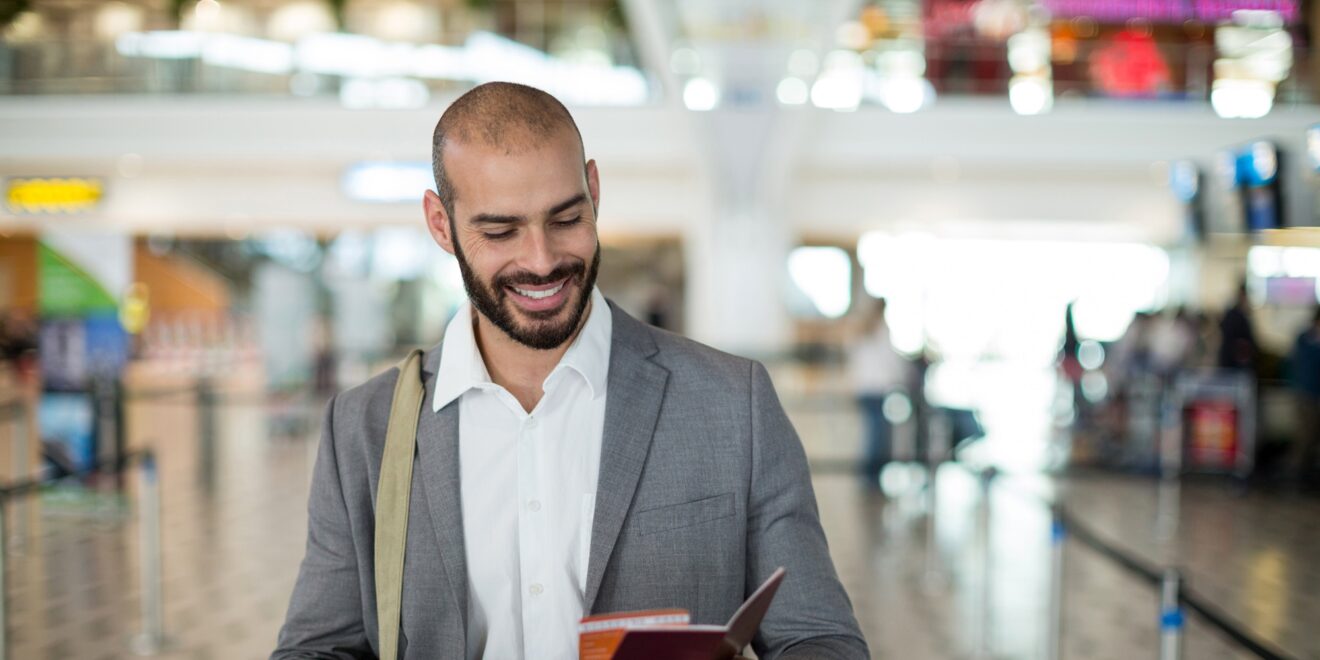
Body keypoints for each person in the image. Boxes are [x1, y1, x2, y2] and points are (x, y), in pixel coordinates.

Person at [273, 83, 867, 660]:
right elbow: (318, 648)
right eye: (500, 230)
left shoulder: (734, 403)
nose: (542, 260)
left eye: (565, 219)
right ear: (440, 224)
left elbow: (819, 638)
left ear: (594, 190)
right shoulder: (363, 429)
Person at [847, 298, 909, 489]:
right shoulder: (881, 330)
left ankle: (868, 475)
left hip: (864, 389)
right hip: (877, 390)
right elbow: (891, 361)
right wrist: (903, 378)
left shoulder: (861, 330)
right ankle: (871, 477)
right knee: (877, 434)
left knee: (872, 433)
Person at [1286, 307, 1320, 484]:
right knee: (1304, 436)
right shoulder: (1305, 339)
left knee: (1312, 435)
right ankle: (1298, 473)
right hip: (1306, 393)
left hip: (1310, 392)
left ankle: (1306, 471)